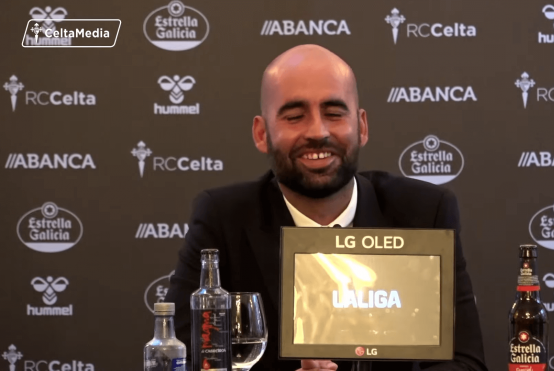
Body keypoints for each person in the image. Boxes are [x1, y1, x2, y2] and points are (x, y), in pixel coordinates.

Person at [164, 44, 487, 371]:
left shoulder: (425, 213)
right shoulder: (223, 219)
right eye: (294, 116)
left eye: (334, 113)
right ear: (262, 134)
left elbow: (464, 362)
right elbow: (183, 358)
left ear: (361, 126)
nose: (318, 132)